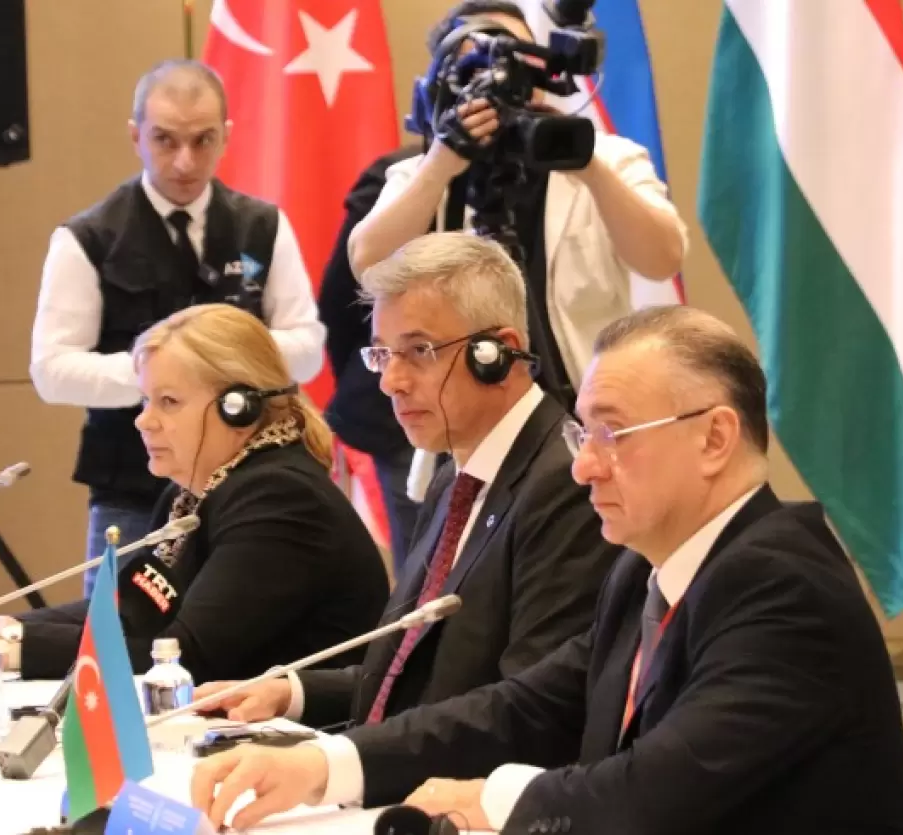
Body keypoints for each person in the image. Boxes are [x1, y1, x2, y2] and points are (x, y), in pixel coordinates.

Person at [189, 306, 903, 835]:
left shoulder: (784, 588)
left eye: (613, 433)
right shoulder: (646, 574)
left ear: (714, 438)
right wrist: (323, 763)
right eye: (583, 433)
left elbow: (651, 795)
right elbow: (521, 708)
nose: (583, 466)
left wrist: (493, 797)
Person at [193, 233, 617, 739]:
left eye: (419, 350)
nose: (390, 381)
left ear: (498, 353)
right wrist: (291, 693)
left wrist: (343, 761)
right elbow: (413, 677)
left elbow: (527, 710)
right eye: (383, 354)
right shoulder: (453, 478)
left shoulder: (565, 484)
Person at [0, 305, 386, 684]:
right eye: (146, 399)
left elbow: (185, 656)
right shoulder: (195, 492)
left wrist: (12, 649)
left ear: (239, 407)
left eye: (168, 402)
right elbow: (128, 612)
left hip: (300, 749)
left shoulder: (280, 499)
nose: (144, 421)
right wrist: (1, 631)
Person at [29, 59, 325, 597]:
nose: (185, 161)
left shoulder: (262, 226)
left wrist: (208, 370)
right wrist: (168, 379)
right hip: (133, 488)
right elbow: (52, 371)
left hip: (251, 484)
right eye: (165, 140)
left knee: (243, 626)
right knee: (118, 635)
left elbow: (306, 349)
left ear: (227, 136)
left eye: (203, 140)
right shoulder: (88, 238)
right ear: (135, 135)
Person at [348, 1, 687, 412]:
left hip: (585, 409)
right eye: (480, 65)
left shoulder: (607, 158)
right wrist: (441, 167)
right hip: (466, 415)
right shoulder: (422, 173)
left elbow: (662, 259)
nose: (503, 78)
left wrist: (588, 168)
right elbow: (368, 265)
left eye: (517, 60)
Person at [319, 145, 426, 565]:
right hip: (402, 425)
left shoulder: (551, 160)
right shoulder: (399, 176)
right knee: (423, 568)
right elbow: (341, 301)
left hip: (519, 408)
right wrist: (381, 375)